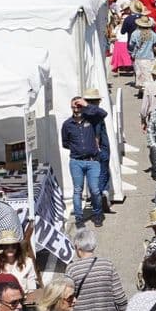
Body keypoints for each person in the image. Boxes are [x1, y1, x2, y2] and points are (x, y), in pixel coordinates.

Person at [61, 95, 109, 225]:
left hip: (93, 161)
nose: (76, 109)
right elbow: (65, 143)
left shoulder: (91, 119)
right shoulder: (67, 124)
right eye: (74, 107)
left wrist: (86, 105)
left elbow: (103, 113)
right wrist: (78, 149)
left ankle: (97, 214)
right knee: (77, 190)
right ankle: (79, 218)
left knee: (95, 190)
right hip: (76, 162)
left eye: (79, 106)